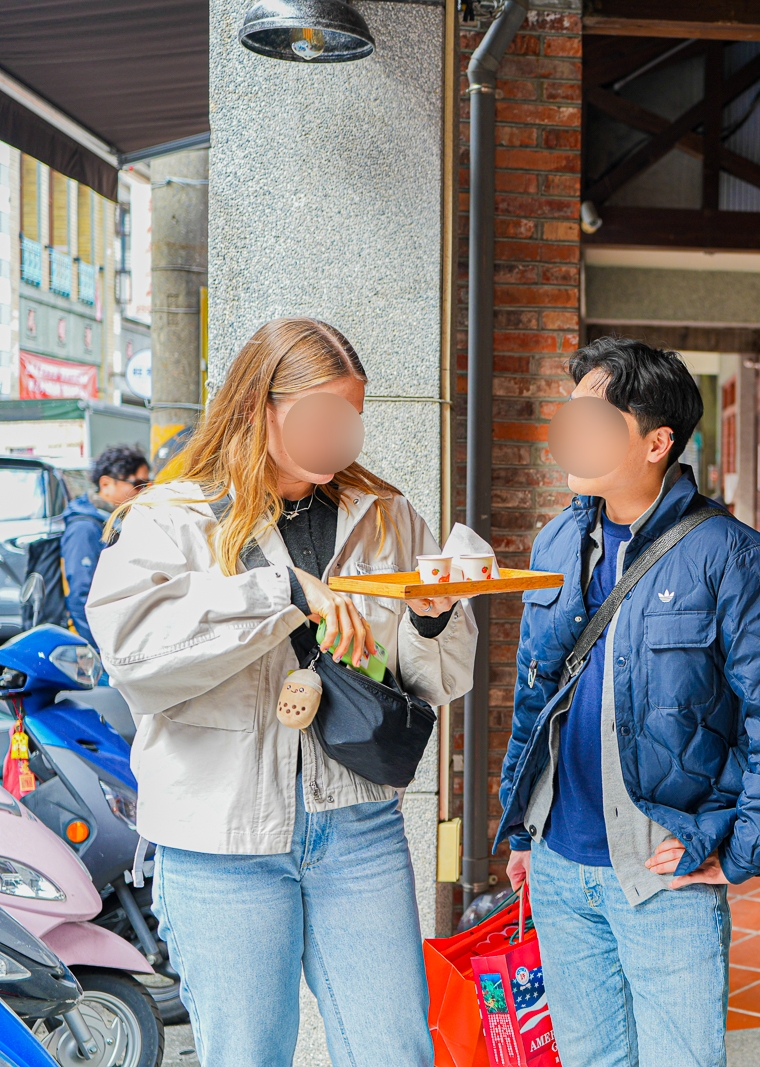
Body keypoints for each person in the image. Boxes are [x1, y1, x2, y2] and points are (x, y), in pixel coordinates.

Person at [86, 318, 479, 1067]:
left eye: (350, 415)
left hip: (359, 826)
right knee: (248, 1055)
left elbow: (437, 680)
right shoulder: (174, 518)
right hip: (220, 841)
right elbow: (136, 659)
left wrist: (433, 618)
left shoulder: (386, 514)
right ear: (259, 406)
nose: (340, 433)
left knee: (396, 1050)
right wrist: (279, 591)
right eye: (320, 414)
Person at [499, 337, 760, 1067]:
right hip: (558, 866)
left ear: (657, 441)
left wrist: (744, 845)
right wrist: (524, 826)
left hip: (663, 871)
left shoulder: (733, 556)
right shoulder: (557, 540)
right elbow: (536, 693)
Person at [61, 444, 148, 648]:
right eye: (138, 484)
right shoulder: (85, 528)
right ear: (106, 484)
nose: (143, 492)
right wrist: (101, 650)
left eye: (147, 484)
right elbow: (81, 596)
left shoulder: (115, 519)